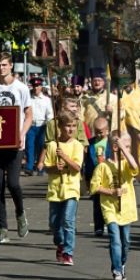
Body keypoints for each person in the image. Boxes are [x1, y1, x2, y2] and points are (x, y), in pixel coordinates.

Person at [0, 52, 33, 244]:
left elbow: (28, 115)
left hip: (15, 143)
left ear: (11, 66)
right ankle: (2, 228)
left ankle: (20, 214)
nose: (1, 69)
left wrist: (21, 134)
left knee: (13, 183)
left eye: (4, 65)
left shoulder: (21, 88)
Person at [91, 131, 139, 280]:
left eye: (129, 147)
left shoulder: (126, 164)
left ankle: (122, 263)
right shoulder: (102, 167)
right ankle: (117, 271)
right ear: (115, 147)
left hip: (126, 209)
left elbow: (135, 166)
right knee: (115, 240)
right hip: (110, 208)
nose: (128, 149)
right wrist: (111, 192)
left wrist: (124, 150)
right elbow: (94, 187)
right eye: (126, 146)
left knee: (125, 242)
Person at [44, 111, 83, 265]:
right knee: (54, 223)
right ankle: (60, 243)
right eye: (67, 126)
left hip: (71, 189)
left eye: (73, 126)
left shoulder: (77, 145)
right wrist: (56, 167)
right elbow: (47, 168)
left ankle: (68, 252)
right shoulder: (53, 145)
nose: (70, 129)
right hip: (55, 190)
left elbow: (77, 167)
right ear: (60, 126)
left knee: (68, 220)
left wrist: (65, 159)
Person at [26, 78, 53, 174]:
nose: (36, 88)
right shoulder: (28, 99)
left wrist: (49, 125)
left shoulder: (46, 100)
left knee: (41, 147)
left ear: (41, 87)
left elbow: (50, 114)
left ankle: (40, 167)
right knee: (29, 146)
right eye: (34, 86)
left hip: (42, 125)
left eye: (38, 86)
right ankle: (29, 167)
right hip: (31, 125)